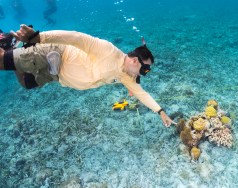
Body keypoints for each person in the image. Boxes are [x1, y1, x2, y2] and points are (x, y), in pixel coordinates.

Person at [0, 24, 175, 127]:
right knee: (2, 62)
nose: (145, 74)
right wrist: (39, 37)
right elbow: (77, 38)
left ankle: (11, 48)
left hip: (56, 74)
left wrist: (160, 112)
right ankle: (11, 49)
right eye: (146, 70)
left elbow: (140, 93)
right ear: (136, 61)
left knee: (26, 82)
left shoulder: (126, 75)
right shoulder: (108, 50)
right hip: (55, 54)